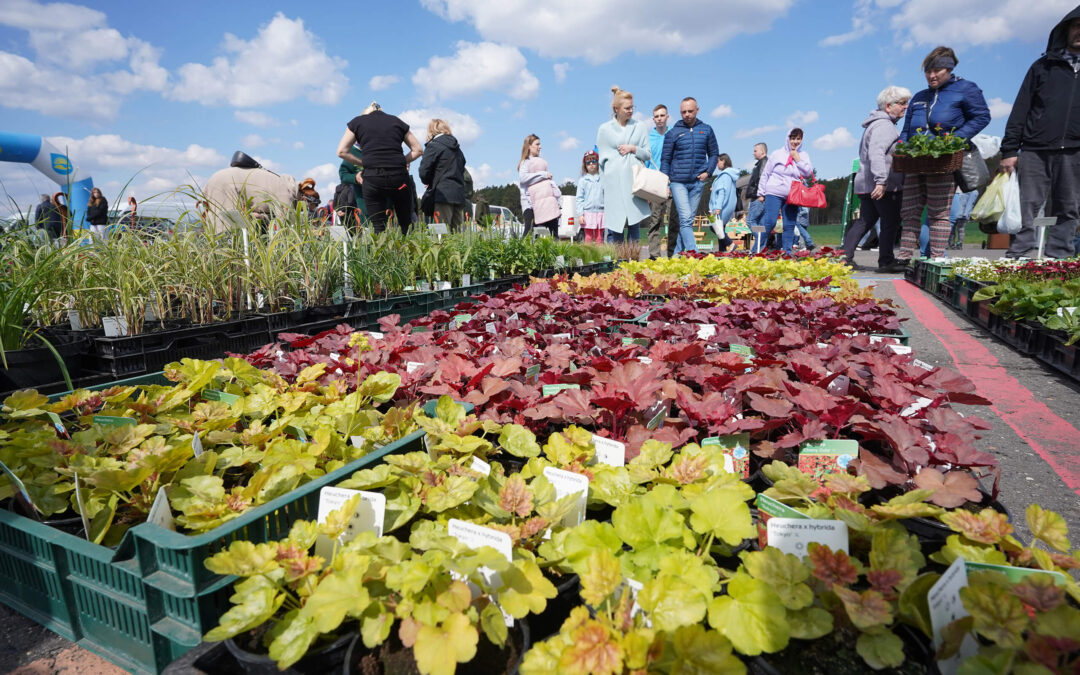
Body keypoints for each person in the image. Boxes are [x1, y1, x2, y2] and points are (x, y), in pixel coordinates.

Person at [895, 46, 990, 263]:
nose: (932, 75)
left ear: (949, 69)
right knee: (909, 212)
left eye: (937, 70)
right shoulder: (919, 97)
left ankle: (936, 258)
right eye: (928, 71)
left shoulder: (965, 89)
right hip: (914, 162)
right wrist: (902, 146)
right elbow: (907, 129)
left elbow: (982, 116)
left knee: (939, 213)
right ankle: (904, 258)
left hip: (943, 161)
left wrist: (955, 140)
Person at [1001, 8, 1080, 259]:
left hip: (1076, 150)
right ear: (1065, 29)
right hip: (1036, 148)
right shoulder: (1042, 66)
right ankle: (1019, 254)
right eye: (1075, 25)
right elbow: (1020, 108)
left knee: (1068, 207)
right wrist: (1010, 149)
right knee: (1027, 205)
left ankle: (1059, 257)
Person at [842, 85, 911, 271]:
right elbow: (877, 153)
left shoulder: (875, 124)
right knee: (891, 222)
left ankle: (843, 257)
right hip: (882, 186)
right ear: (888, 106)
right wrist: (881, 181)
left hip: (866, 183)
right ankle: (886, 261)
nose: (906, 107)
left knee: (865, 220)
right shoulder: (885, 126)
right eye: (902, 103)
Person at [336, 102, 423, 234]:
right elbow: (418, 150)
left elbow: (341, 151)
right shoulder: (397, 121)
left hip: (373, 178)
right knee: (406, 224)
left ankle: (381, 252)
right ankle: (409, 251)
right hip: (399, 178)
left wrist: (364, 163)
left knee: (378, 227)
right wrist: (398, 162)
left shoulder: (357, 122)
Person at [661, 97, 719, 254]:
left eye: (690, 111)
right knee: (686, 219)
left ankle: (676, 256)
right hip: (678, 182)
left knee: (687, 222)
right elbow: (665, 159)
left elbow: (714, 154)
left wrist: (708, 172)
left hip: (697, 183)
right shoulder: (673, 133)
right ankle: (694, 253)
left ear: (697, 110)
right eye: (683, 112)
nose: (686, 114)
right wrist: (665, 183)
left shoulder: (706, 130)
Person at [597, 86, 652, 244]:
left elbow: (647, 154)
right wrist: (605, 184)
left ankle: (633, 261)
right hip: (613, 184)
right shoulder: (604, 129)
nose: (631, 111)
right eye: (627, 108)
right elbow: (602, 161)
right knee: (616, 225)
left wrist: (633, 148)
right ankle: (618, 262)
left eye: (632, 107)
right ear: (617, 108)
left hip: (633, 182)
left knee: (634, 222)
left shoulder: (639, 127)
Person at [202, 153, 300, 233]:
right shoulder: (286, 192)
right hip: (225, 185)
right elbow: (284, 226)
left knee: (216, 223)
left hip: (219, 181)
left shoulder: (279, 182)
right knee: (227, 230)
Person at [757, 128, 814, 254]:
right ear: (787, 138)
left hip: (792, 194)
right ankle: (757, 249)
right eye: (792, 138)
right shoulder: (777, 154)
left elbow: (808, 173)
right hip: (774, 192)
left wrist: (797, 159)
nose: (795, 141)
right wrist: (761, 193)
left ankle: (787, 253)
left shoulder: (803, 155)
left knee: (789, 224)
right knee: (770, 221)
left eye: (798, 138)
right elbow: (766, 173)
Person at [418, 118, 468, 231]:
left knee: (440, 235)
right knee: (458, 236)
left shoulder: (433, 146)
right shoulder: (458, 149)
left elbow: (423, 172)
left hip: (442, 195)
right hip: (459, 195)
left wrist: (430, 181)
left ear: (432, 130)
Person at [644, 104, 677, 257]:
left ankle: (671, 254)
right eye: (656, 116)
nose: (659, 119)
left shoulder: (673, 134)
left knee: (673, 222)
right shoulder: (648, 138)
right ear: (653, 119)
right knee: (655, 222)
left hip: (672, 183)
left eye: (662, 115)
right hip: (655, 186)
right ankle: (654, 255)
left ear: (667, 117)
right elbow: (646, 164)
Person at [517, 135, 561, 237]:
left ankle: (555, 251)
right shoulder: (525, 162)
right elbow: (523, 178)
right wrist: (543, 175)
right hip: (529, 205)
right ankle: (523, 252)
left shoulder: (541, 162)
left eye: (540, 144)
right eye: (537, 144)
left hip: (544, 202)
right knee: (530, 232)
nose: (540, 147)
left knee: (553, 229)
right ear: (529, 146)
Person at [708, 153, 739, 251]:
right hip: (727, 206)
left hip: (720, 206)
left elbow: (722, 192)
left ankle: (730, 243)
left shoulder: (724, 175)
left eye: (718, 161)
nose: (717, 164)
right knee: (720, 228)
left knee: (714, 227)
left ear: (723, 161)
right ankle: (722, 250)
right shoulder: (730, 175)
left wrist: (718, 207)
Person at [337, 145, 369, 231]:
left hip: (386, 204)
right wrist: (355, 177)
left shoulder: (380, 146)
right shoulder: (353, 152)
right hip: (364, 204)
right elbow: (343, 175)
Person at [575, 150, 605, 243]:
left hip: (601, 212)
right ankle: (588, 256)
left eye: (594, 161)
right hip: (587, 212)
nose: (591, 164)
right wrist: (580, 214)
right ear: (585, 165)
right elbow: (579, 198)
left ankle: (599, 256)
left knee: (599, 238)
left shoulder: (602, 178)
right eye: (588, 162)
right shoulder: (583, 181)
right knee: (588, 237)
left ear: (598, 163)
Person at [745, 143, 769, 252]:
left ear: (762, 152)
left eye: (755, 151)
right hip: (758, 196)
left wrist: (761, 194)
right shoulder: (761, 163)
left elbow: (762, 179)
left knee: (750, 221)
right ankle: (757, 249)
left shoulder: (763, 163)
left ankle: (760, 238)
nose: (753, 153)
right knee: (759, 224)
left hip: (758, 197)